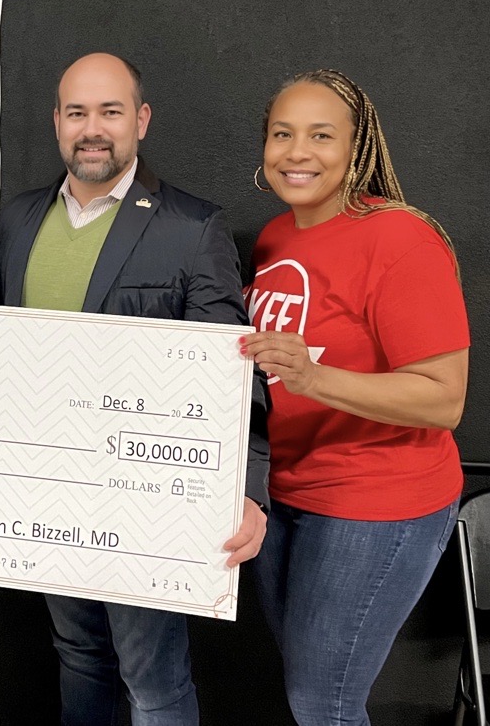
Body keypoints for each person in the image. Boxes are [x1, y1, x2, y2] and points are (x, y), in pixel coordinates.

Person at [0, 52, 270, 726]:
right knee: (79, 652)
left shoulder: (192, 226)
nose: (93, 128)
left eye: (110, 111)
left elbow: (235, 371)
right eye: (77, 112)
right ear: (57, 122)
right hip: (44, 486)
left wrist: (249, 489)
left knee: (152, 676)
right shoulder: (20, 221)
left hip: (143, 497)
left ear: (140, 120)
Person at [240, 69, 468, 725]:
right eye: (282, 134)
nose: (297, 151)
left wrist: (315, 379)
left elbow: (442, 399)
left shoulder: (400, 238)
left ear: (357, 146)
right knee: (311, 691)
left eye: (321, 135)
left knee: (324, 701)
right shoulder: (277, 237)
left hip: (376, 502)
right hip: (288, 494)